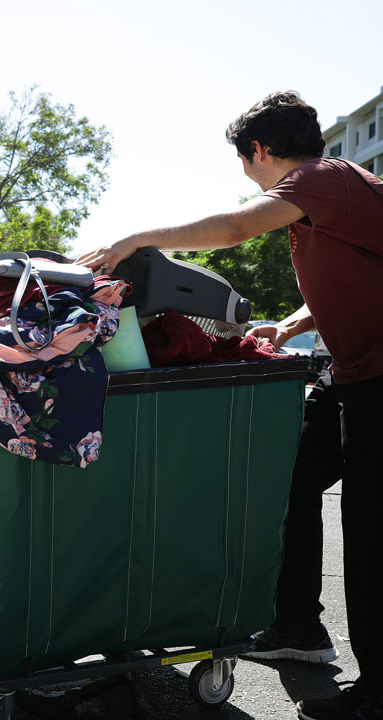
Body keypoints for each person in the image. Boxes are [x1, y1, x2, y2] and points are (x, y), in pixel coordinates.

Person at [77, 91, 383, 720]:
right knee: (289, 478)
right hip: (351, 375)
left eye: (245, 160)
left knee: (372, 530)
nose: (247, 172)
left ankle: (381, 693)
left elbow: (234, 228)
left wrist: (135, 237)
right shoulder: (334, 194)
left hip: (380, 381)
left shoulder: (319, 179)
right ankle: (297, 628)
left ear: (259, 151)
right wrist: (292, 326)